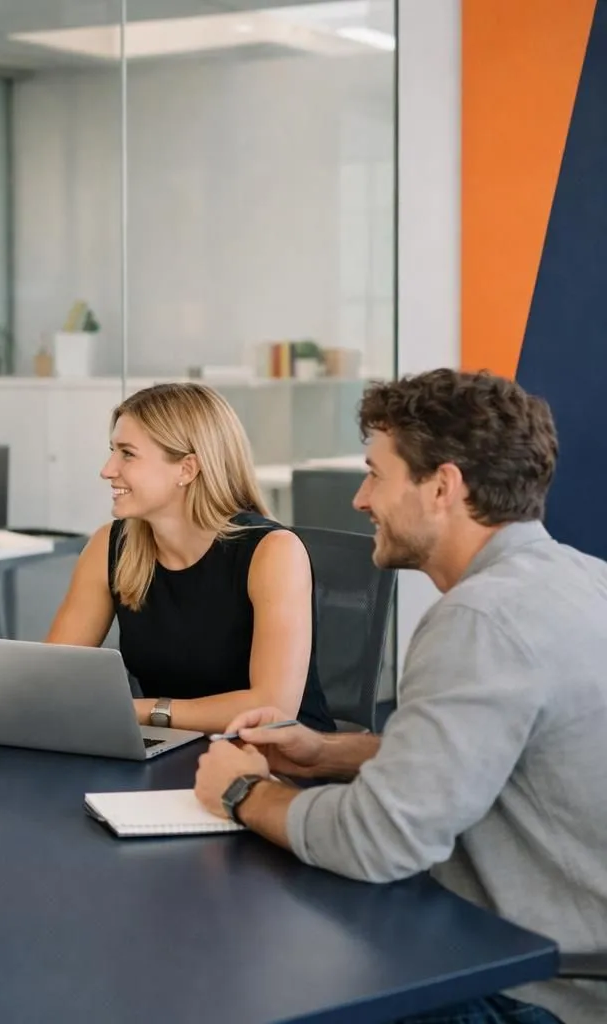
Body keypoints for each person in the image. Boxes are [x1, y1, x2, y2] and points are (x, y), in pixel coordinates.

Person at [194, 369, 607, 1024]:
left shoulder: (482, 618)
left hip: (535, 991)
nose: (361, 499)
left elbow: (377, 840)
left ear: (442, 487)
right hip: (551, 958)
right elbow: (499, 753)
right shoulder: (583, 578)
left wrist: (244, 791)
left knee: (240, 984)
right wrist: (326, 755)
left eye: (376, 475)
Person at [44, 381, 333, 735]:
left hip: (278, 758)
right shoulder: (111, 546)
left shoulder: (272, 552)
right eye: (112, 451)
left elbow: (271, 708)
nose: (107, 469)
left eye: (127, 454)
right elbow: (52, 675)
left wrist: (141, 711)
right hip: (169, 750)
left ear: (186, 469)